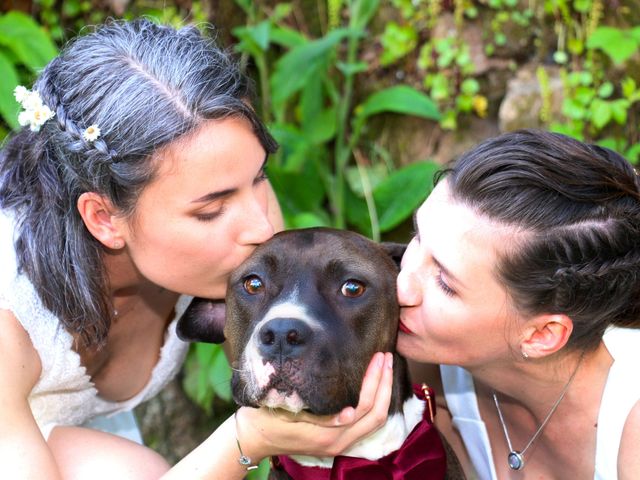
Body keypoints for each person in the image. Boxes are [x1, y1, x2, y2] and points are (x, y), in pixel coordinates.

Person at [0, 19, 394, 479]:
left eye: (260, 178)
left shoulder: (220, 258)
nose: (262, 225)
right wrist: (248, 439)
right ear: (104, 218)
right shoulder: (10, 316)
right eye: (212, 210)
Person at [397, 129, 640, 479]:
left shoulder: (630, 428)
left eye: (445, 284)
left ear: (542, 334)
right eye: (417, 238)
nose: (401, 286)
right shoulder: (424, 364)